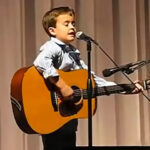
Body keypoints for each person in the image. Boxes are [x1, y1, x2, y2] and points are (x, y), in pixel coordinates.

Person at [33, 6, 143, 150]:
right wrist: (63, 86)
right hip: (53, 112)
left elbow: (91, 80)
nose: (72, 27)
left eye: (73, 23)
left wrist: (124, 88)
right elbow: (40, 62)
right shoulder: (52, 47)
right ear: (52, 30)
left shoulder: (72, 52)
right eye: (66, 24)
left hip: (68, 114)